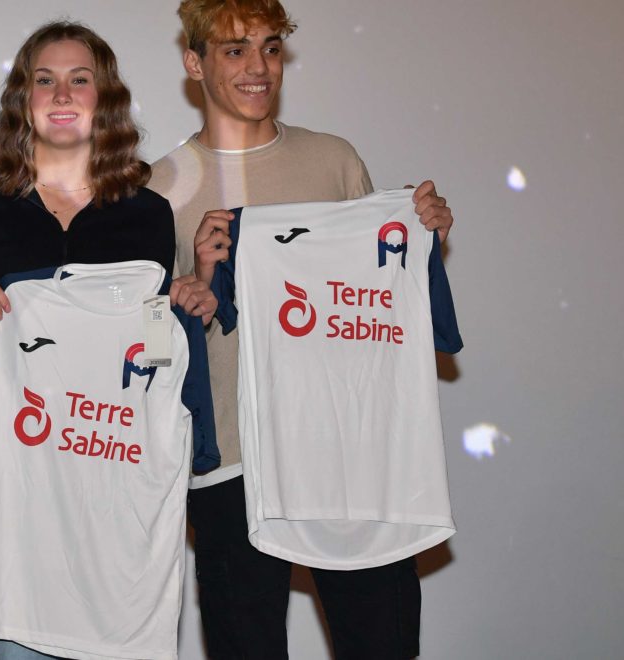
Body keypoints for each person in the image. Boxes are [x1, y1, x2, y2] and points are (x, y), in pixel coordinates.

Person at [147, 1, 456, 658]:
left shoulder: (334, 161)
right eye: (235, 50)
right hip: (233, 461)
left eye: (270, 47)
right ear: (194, 63)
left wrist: (420, 235)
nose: (258, 67)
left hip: (346, 453)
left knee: (382, 643)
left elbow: (378, 300)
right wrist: (197, 283)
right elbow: (146, 352)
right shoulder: (159, 188)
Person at [0, 20, 212, 660]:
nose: (62, 94)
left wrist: (182, 309)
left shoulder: (147, 214)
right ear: (23, 97)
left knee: (112, 633)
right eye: (45, 80)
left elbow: (151, 350)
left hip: (111, 456)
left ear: (107, 100)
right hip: (15, 454)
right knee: (10, 639)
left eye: (79, 79)